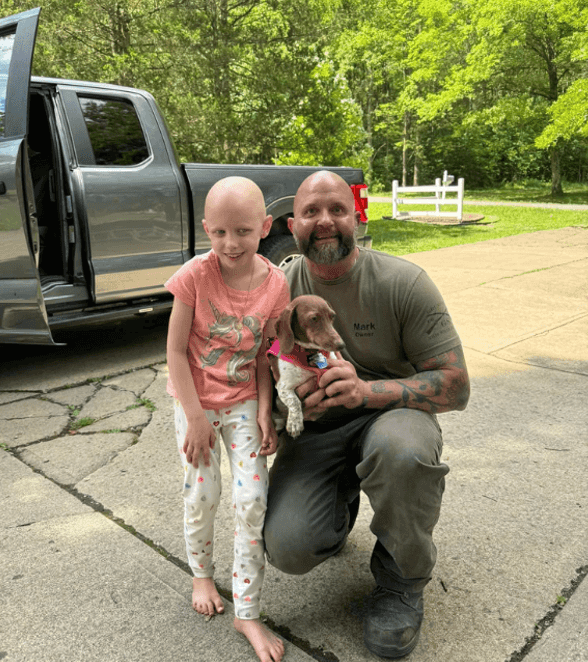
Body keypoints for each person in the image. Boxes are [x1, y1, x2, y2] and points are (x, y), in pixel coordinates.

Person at [262, 171, 470, 658]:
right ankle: (340, 505)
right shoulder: (277, 288)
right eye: (311, 212)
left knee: (402, 452)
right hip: (317, 432)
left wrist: (366, 393)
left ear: (356, 216)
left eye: (337, 209)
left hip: (391, 415)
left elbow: (457, 386)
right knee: (289, 546)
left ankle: (401, 582)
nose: (325, 221)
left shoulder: (403, 282)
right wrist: (281, 407)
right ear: (292, 226)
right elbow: (252, 368)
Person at [165, 176, 290, 662]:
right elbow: (176, 351)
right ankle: (201, 572)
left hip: (241, 400)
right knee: (204, 491)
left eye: (241, 231)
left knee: (252, 497)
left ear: (264, 227)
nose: (229, 243)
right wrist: (194, 417)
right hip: (195, 400)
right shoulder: (195, 275)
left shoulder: (276, 285)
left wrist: (264, 409)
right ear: (205, 230)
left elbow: (263, 355)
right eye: (218, 233)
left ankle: (248, 611)